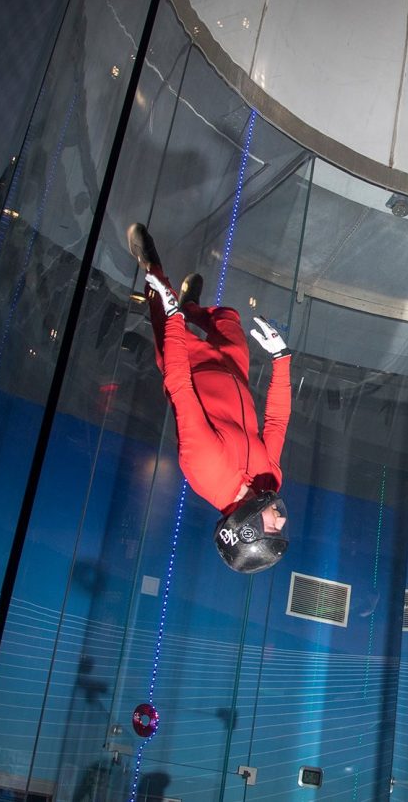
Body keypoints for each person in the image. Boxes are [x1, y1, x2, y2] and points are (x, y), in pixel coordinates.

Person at [128, 222, 294, 574]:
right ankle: (191, 307)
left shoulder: (206, 468)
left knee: (162, 300)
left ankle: (151, 263)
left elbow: (179, 386)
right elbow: (277, 422)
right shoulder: (269, 483)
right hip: (234, 370)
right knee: (228, 317)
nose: (281, 521)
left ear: (249, 527)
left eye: (273, 528)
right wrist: (282, 360)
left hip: (189, 365)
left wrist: (173, 321)